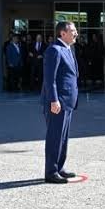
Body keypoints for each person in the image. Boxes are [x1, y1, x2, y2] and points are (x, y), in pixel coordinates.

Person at [41, 21, 79, 184]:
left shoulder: (68, 49)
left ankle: (60, 167)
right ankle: (51, 171)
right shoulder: (54, 50)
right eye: (73, 30)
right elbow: (50, 79)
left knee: (63, 137)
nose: (76, 33)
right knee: (55, 137)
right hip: (58, 102)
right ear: (62, 33)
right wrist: (54, 99)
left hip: (68, 101)